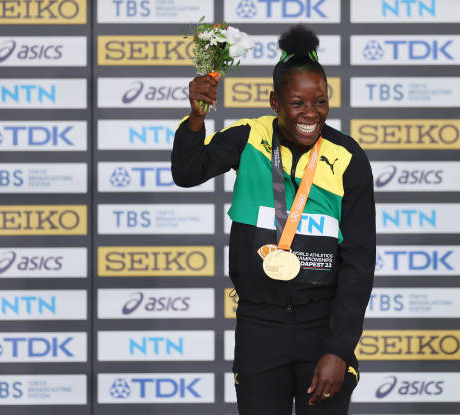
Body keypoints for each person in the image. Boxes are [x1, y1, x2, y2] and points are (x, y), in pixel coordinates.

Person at [171, 25, 375, 415]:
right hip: (259, 326)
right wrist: (197, 117)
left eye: (320, 101)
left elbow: (360, 261)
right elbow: (187, 172)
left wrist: (339, 348)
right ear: (274, 101)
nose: (311, 113)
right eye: (298, 102)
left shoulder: (348, 156)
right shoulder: (249, 137)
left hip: (323, 326)